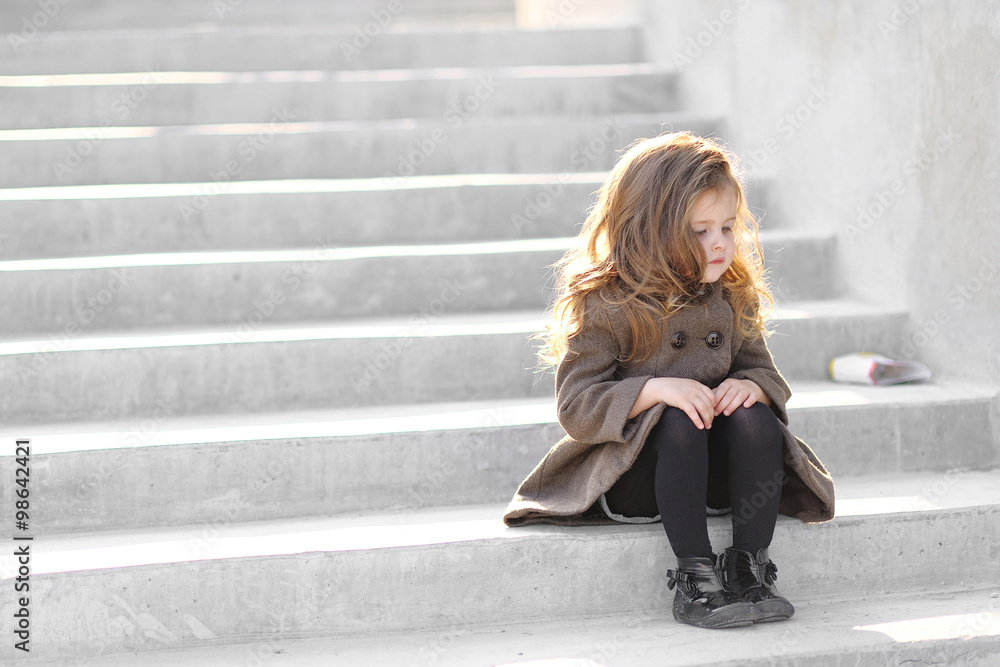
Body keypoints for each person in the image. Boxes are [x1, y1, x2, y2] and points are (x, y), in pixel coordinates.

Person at [503, 132, 835, 629]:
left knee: (756, 419)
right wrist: (653, 389)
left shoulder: (730, 295)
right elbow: (576, 405)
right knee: (677, 419)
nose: (720, 242)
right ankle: (696, 581)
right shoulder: (609, 303)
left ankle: (749, 568)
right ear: (647, 233)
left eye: (726, 226)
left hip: (716, 476)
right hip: (639, 478)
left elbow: (763, 370)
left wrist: (754, 387)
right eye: (699, 231)